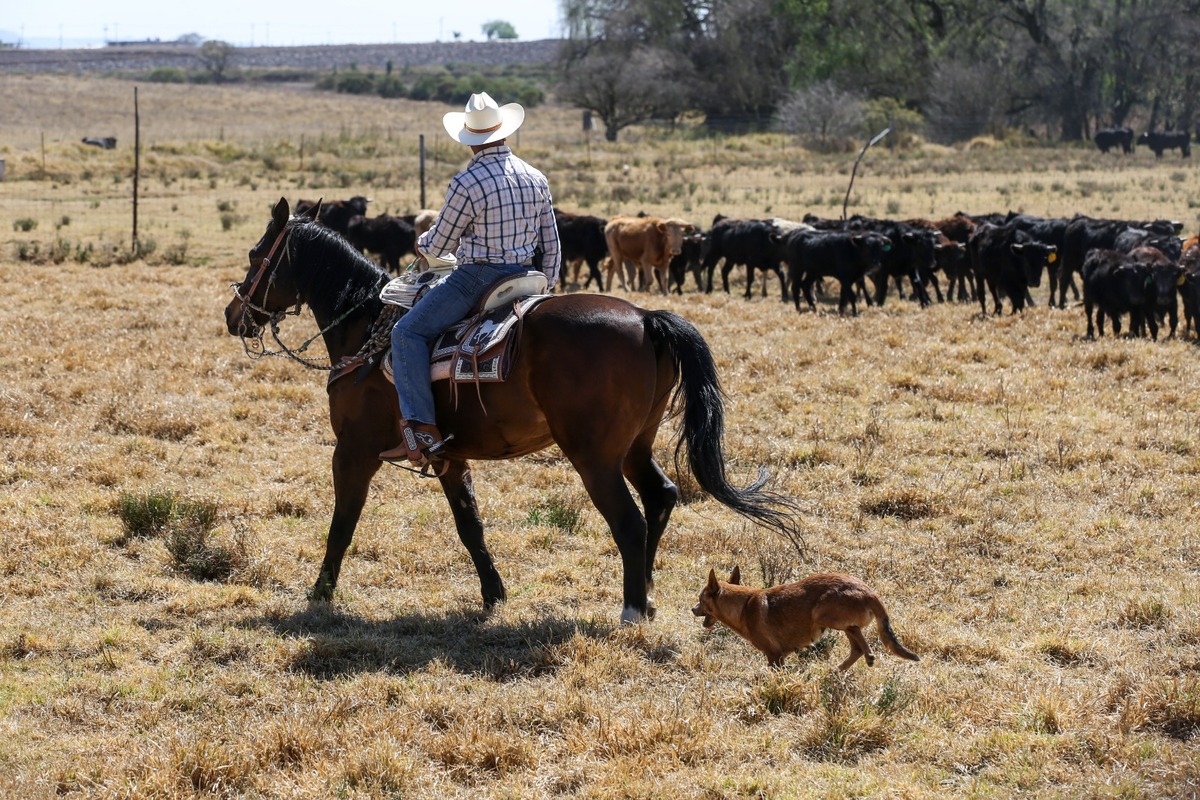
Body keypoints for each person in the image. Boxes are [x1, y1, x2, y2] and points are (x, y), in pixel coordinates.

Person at [379, 92, 561, 471]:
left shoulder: (467, 181)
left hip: (476, 278)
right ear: (504, 132)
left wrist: (423, 242)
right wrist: (549, 285)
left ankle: (421, 430)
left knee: (407, 333)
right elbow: (553, 244)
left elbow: (441, 243)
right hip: (528, 278)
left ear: (470, 138)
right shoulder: (535, 176)